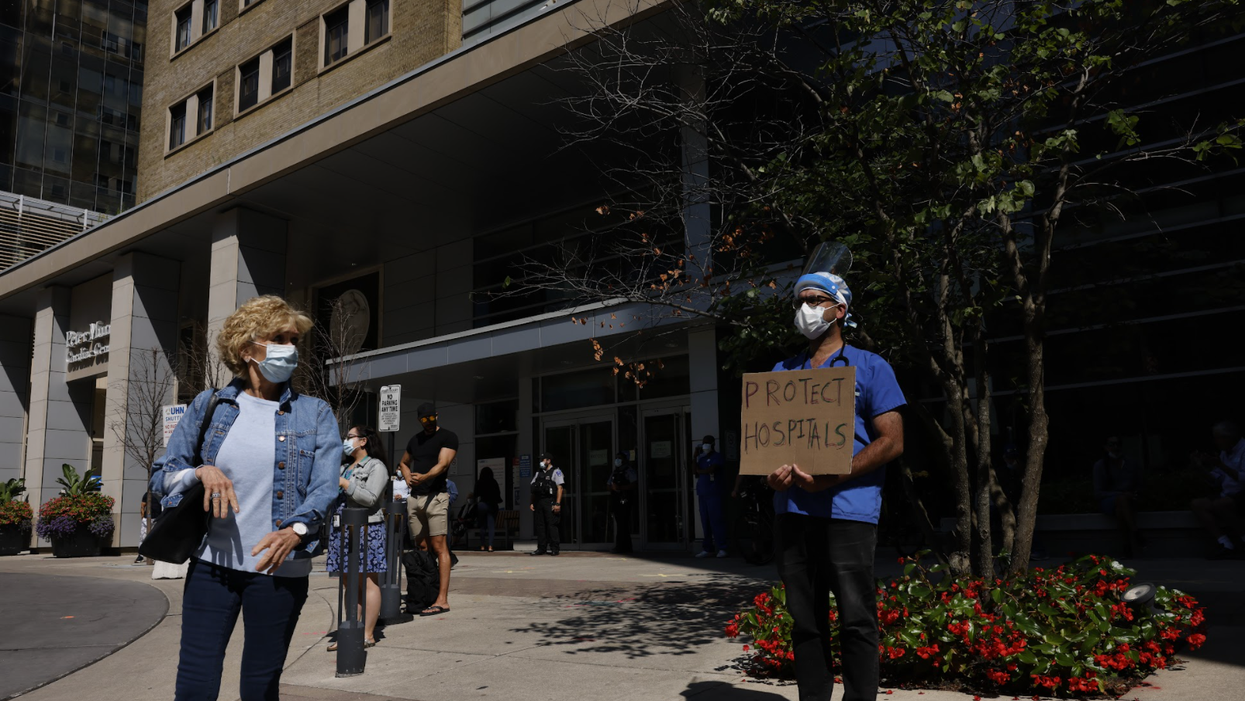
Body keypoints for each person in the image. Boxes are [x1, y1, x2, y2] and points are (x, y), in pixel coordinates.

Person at [150, 295, 339, 701]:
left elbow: (325, 488)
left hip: (279, 571)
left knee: (259, 685)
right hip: (211, 567)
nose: (290, 348)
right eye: (278, 337)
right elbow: (161, 475)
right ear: (246, 349)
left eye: (293, 339)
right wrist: (200, 471)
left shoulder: (315, 414)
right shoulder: (210, 405)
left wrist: (297, 529)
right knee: (195, 683)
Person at [765, 243, 905, 701]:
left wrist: (836, 475)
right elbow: (770, 445)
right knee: (804, 619)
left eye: (814, 300)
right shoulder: (781, 372)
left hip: (849, 510)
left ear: (839, 309)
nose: (804, 309)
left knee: (856, 617)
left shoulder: (871, 366)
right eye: (799, 302)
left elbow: (892, 441)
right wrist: (771, 474)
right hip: (794, 512)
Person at [325, 425, 390, 651]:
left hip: (367, 530)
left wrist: (344, 483)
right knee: (349, 582)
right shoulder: (343, 467)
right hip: (341, 529)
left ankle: (368, 634)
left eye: (350, 436)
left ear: (363, 441)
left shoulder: (376, 466)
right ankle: (351, 629)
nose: (346, 440)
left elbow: (371, 498)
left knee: (368, 580)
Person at [399, 402, 458, 616]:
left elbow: (443, 464)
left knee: (439, 546)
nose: (429, 423)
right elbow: (404, 462)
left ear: (437, 416)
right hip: (415, 499)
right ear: (419, 420)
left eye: (432, 419)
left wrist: (425, 477)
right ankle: (424, 593)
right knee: (421, 547)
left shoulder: (448, 437)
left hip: (436, 497)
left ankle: (442, 599)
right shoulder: (414, 440)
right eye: (425, 420)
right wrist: (407, 476)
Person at [1190, 420, 1245, 560]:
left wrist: (1221, 465)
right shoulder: (1224, 453)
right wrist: (1201, 468)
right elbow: (1216, 479)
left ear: (1229, 437)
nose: (1216, 441)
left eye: (1218, 437)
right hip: (1228, 494)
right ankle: (1225, 544)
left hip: (1241, 493)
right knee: (1198, 504)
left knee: (1222, 504)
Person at [1092, 436, 1145, 557]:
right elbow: (1098, 493)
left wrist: (1133, 494)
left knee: (1121, 509)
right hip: (1109, 500)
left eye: (1118, 444)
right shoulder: (1100, 466)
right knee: (1121, 501)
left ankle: (1127, 546)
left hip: (1129, 499)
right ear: (1106, 447)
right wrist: (1120, 494)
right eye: (1112, 445)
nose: (1115, 448)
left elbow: (1140, 483)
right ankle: (1135, 533)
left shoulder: (1131, 463)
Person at [694, 435, 728, 558]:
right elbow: (695, 471)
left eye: (707, 443)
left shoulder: (717, 457)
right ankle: (708, 548)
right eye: (703, 443)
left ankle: (722, 547)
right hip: (702, 493)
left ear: (713, 444)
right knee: (705, 521)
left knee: (716, 520)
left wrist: (701, 471)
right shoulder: (702, 459)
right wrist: (695, 456)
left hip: (714, 493)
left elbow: (712, 469)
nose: (705, 445)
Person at [529, 452, 564, 556]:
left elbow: (560, 488)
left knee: (552, 525)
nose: (541, 462)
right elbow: (534, 488)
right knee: (540, 526)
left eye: (543, 460)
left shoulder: (556, 471)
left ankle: (554, 548)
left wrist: (557, 503)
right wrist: (532, 502)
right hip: (539, 502)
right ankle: (541, 548)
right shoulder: (538, 473)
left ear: (548, 460)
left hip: (550, 501)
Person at [607, 451, 638, 553]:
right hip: (616, 499)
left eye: (620, 458)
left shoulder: (628, 471)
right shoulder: (615, 472)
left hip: (625, 499)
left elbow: (634, 484)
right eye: (617, 458)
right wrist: (613, 487)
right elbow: (609, 484)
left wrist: (621, 488)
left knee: (623, 523)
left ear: (624, 460)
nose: (617, 460)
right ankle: (622, 546)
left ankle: (624, 547)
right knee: (619, 523)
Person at [471, 466, 503, 552]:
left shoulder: (479, 482)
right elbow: (497, 494)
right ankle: (490, 546)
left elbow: (475, 495)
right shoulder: (493, 482)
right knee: (491, 526)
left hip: (482, 505)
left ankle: (482, 545)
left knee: (482, 526)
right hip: (492, 504)